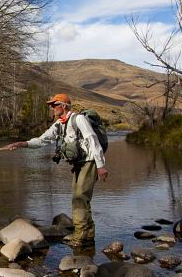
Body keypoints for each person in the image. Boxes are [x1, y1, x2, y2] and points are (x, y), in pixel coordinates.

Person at [6, 93, 109, 249]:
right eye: (51, 105)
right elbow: (42, 140)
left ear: (64, 106)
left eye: (54, 105)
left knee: (79, 197)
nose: (51, 108)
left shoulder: (78, 119)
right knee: (80, 197)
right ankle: (88, 234)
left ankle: (80, 236)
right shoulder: (59, 124)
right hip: (79, 164)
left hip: (90, 162)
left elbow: (92, 139)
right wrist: (22, 144)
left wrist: (101, 165)